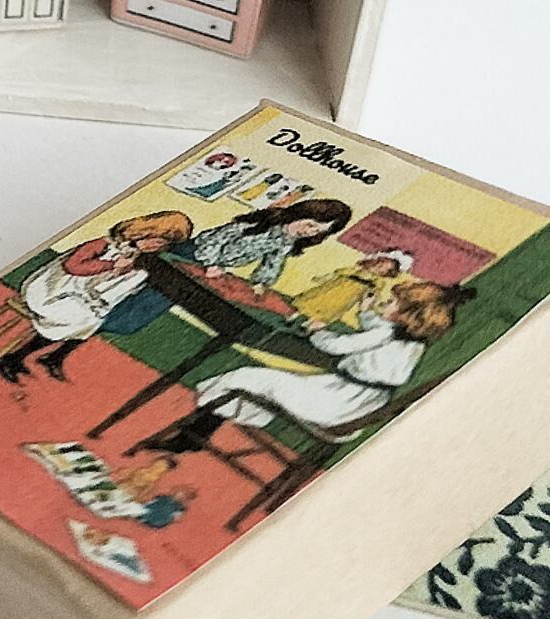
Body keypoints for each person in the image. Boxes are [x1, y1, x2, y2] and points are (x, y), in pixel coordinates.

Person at [126, 279, 475, 462]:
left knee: (244, 377)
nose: (386, 303)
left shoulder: (385, 333)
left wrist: (316, 329)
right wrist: (366, 311)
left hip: (332, 403)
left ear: (407, 314)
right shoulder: (410, 341)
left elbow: (335, 346)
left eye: (392, 302)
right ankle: (193, 438)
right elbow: (377, 330)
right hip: (355, 407)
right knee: (265, 383)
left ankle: (190, 437)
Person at [0, 212, 195, 385]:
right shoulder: (107, 244)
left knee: (91, 319)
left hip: (81, 299)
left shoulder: (138, 258)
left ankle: (18, 358)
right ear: (147, 231)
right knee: (81, 318)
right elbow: (72, 266)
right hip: (52, 290)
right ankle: (13, 359)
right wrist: (110, 266)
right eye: (158, 240)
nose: (157, 246)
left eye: (164, 244)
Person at [179, 197, 354, 294]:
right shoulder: (267, 221)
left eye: (318, 231)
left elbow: (273, 263)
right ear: (301, 214)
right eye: (310, 225)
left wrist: (261, 283)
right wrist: (209, 263)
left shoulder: (287, 241)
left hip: (216, 265)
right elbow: (219, 236)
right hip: (196, 252)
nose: (309, 232)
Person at [291, 250, 413, 328]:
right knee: (313, 300)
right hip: (335, 287)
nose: (378, 267)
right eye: (379, 264)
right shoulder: (357, 270)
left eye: (383, 269)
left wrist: (371, 301)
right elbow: (339, 273)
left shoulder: (377, 281)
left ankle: (309, 327)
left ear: (387, 273)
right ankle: (294, 315)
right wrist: (324, 278)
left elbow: (373, 293)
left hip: (347, 297)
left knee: (328, 312)